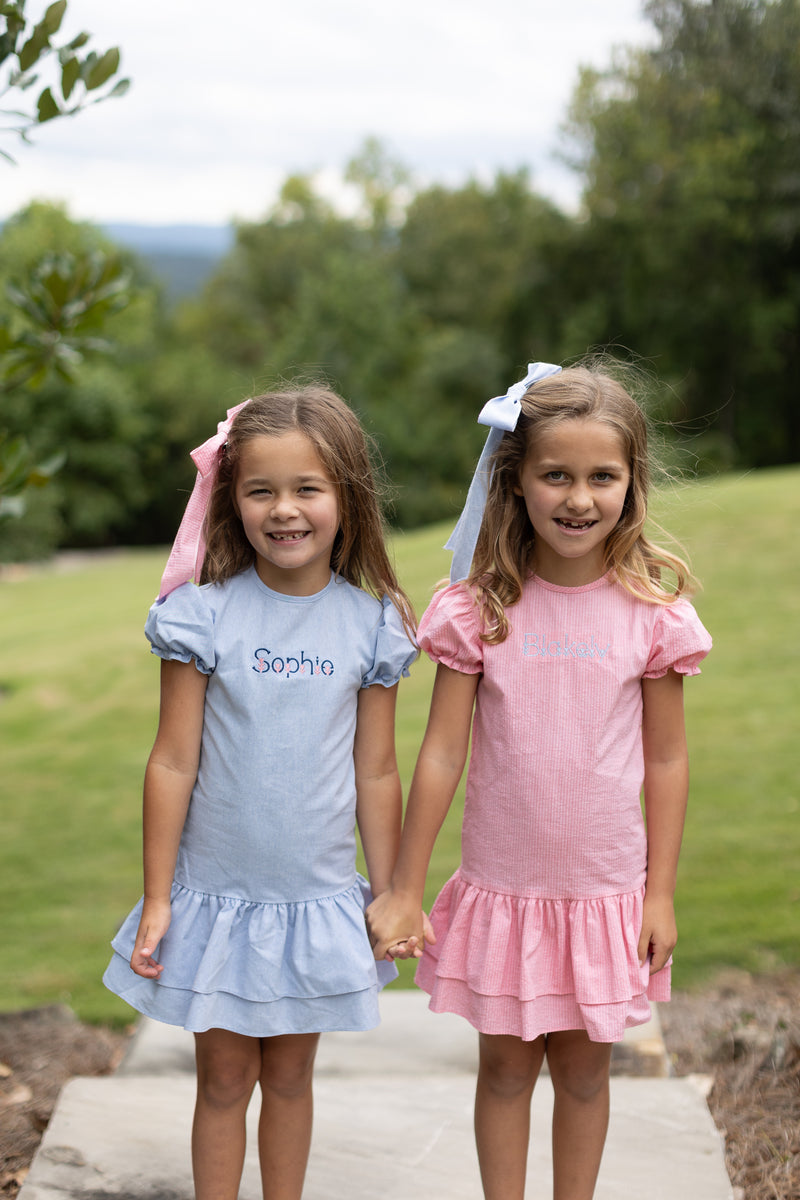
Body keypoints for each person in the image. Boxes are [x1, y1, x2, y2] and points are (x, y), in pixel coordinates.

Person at [367, 361, 712, 1200]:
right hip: (504, 890)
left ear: (632, 485)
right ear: (514, 481)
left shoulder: (652, 613)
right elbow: (443, 753)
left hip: (603, 895)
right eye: (555, 474)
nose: (578, 496)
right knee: (504, 1073)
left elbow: (666, 759)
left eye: (603, 476)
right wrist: (406, 886)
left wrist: (657, 893)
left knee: (587, 1077)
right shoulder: (482, 609)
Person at [104, 385, 417, 1200]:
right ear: (230, 499)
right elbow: (172, 761)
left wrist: (389, 892)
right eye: (261, 490)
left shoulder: (370, 624)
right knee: (222, 1080)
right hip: (216, 902)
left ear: (347, 496)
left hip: (312, 905)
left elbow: (376, 770)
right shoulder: (202, 618)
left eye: (308, 488)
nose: (285, 510)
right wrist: (159, 895)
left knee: (289, 1080)